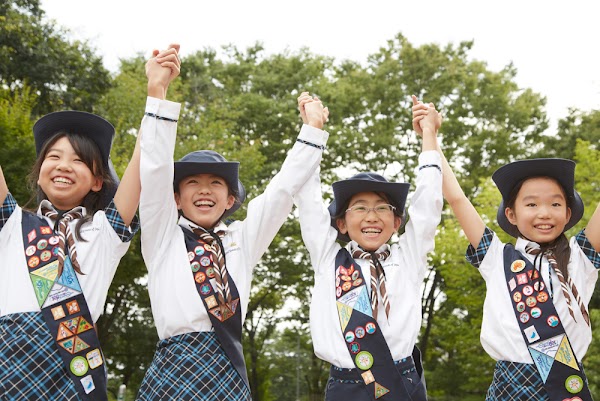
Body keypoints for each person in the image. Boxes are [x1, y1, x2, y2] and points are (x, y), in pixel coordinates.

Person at [0, 44, 181, 400]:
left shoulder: (104, 232)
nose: (64, 165)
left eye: (79, 161)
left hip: (72, 378)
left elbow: (142, 165)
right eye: (54, 156)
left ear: (98, 181)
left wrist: (156, 93)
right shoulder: (10, 225)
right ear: (38, 175)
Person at [135, 91, 329, 400]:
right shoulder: (161, 237)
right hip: (173, 369)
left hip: (226, 370)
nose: (204, 191)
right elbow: (155, 171)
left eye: (215, 183)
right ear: (176, 199)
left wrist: (312, 131)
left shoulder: (242, 238)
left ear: (229, 199)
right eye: (192, 183)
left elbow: (281, 192)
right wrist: (158, 94)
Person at [413, 98, 600, 400]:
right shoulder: (496, 257)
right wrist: (430, 135)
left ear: (567, 214)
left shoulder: (582, 256)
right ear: (511, 214)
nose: (544, 212)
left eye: (555, 203)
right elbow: (458, 199)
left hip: (565, 386)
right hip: (509, 386)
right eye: (531, 203)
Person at [294, 95, 443, 400]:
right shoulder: (329, 259)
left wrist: (429, 136)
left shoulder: (409, 258)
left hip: (404, 384)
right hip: (346, 388)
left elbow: (428, 205)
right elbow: (307, 199)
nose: (372, 218)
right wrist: (312, 130)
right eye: (359, 208)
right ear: (341, 224)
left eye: (382, 208)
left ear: (397, 221)